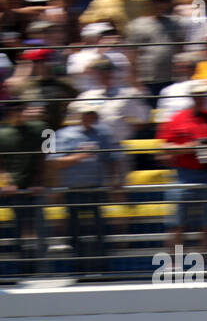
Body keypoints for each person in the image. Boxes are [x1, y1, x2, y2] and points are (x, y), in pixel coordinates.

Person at [160, 80, 207, 254]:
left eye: (203, 96)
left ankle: (205, 264)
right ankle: (175, 266)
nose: (200, 99)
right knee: (177, 224)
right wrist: (188, 147)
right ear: (192, 97)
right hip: (182, 174)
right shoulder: (178, 118)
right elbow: (164, 148)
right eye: (197, 96)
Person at [50, 105, 120, 275]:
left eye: (93, 114)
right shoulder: (63, 134)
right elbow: (55, 161)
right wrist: (79, 156)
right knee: (75, 232)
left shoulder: (102, 133)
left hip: (95, 188)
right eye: (87, 114)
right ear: (80, 116)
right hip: (73, 189)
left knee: (99, 230)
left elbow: (112, 158)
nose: (90, 117)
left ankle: (102, 268)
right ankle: (78, 268)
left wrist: (114, 181)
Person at [0, 99, 48, 272]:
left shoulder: (40, 128)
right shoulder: (3, 134)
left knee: (38, 229)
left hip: (34, 188)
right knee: (19, 229)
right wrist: (7, 182)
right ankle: (24, 267)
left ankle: (41, 268)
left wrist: (39, 182)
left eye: (21, 110)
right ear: (9, 113)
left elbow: (45, 157)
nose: (18, 114)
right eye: (14, 111)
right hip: (15, 190)